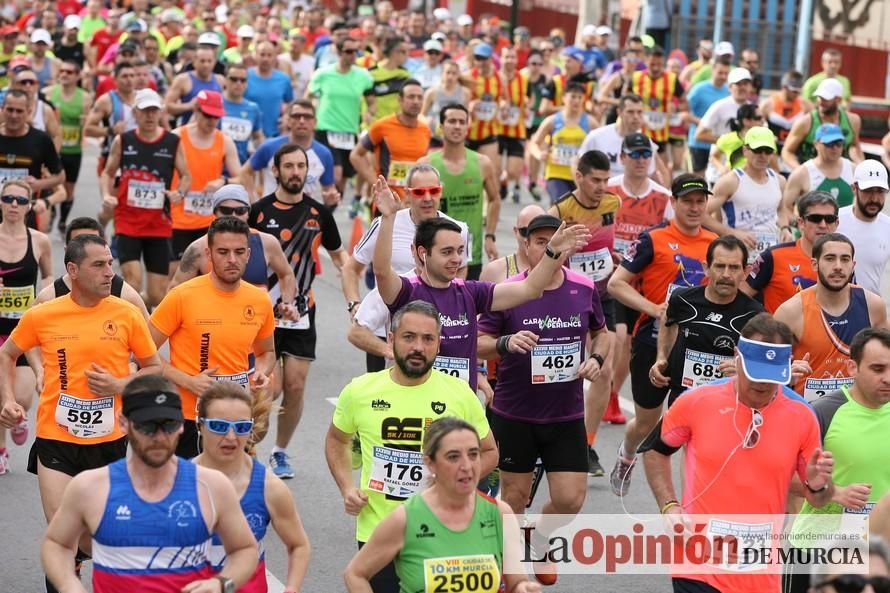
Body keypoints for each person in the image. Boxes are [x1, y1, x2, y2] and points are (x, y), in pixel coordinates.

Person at [0, 233, 161, 593]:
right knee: (62, 535)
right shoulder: (44, 314)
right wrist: (8, 399)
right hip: (56, 440)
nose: (109, 273)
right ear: (72, 270)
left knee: (95, 535)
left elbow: (154, 368)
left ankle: (86, 556)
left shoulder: (125, 314)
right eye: (99, 265)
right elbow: (7, 353)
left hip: (109, 441)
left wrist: (120, 385)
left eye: (110, 264)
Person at [642, 313, 835, 593]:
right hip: (698, 565)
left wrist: (818, 483)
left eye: (772, 376)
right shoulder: (696, 402)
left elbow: (818, 500)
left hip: (759, 571)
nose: (763, 385)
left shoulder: (802, 416)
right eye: (755, 372)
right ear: (736, 357)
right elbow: (654, 451)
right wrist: (669, 506)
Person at [326, 301, 498, 593]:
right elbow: (337, 439)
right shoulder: (360, 391)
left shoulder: (459, 394)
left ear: (438, 344)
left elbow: (489, 451)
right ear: (391, 340)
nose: (418, 346)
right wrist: (346, 488)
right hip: (378, 529)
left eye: (428, 339)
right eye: (409, 337)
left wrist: (456, 481)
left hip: (441, 529)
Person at [477, 213, 610, 585]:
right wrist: (505, 343)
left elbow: (602, 334)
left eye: (556, 240)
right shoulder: (509, 291)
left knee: (570, 499)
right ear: (527, 245)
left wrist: (597, 358)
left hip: (566, 414)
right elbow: (479, 342)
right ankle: (513, 572)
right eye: (540, 242)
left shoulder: (583, 288)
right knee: (514, 498)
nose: (550, 248)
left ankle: (542, 535)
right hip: (515, 413)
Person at [373, 172, 591, 394]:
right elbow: (381, 272)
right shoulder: (407, 291)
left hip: (459, 409)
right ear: (422, 253)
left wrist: (552, 252)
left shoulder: (470, 292)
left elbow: (530, 289)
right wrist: (389, 218)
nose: (456, 259)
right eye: (447, 252)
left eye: (459, 251)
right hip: (414, 403)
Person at [40, 375, 259, 593]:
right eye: (147, 426)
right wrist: (70, 585)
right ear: (123, 422)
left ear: (182, 424)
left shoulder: (211, 485)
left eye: (169, 425)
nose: (159, 436)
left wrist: (222, 583)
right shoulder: (90, 487)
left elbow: (245, 549)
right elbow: (57, 544)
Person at [606, 174, 718, 496]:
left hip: (696, 347)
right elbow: (616, 284)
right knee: (646, 423)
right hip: (653, 340)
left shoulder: (713, 243)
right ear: (673, 203)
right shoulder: (654, 239)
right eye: (688, 201)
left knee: (696, 427)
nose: (695, 208)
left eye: (700, 201)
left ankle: (692, 499)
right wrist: (654, 308)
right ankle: (627, 454)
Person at [343, 417, 540, 593]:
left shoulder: (499, 513)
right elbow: (355, 574)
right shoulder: (405, 519)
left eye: (473, 454)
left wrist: (525, 588)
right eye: (453, 457)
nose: (466, 466)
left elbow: (517, 583)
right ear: (431, 463)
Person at [249, 143, 347, 478]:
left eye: (301, 166)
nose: (295, 172)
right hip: (261, 311)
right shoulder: (258, 212)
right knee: (266, 388)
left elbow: (340, 257)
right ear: (275, 171)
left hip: (302, 311)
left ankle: (280, 452)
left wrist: (354, 296)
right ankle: (249, 447)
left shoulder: (320, 213)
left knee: (294, 385)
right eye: (288, 166)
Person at [149, 216, 283, 459]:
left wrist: (261, 372)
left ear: (249, 254)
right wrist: (188, 381)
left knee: (233, 491)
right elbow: (143, 353)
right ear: (209, 255)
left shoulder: (259, 300)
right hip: (189, 417)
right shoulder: (182, 296)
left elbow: (267, 353)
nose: (232, 259)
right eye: (223, 252)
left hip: (235, 417)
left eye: (239, 252)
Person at [788, 328, 890, 593]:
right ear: (852, 367)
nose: (888, 378)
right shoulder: (824, 412)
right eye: (878, 369)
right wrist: (834, 492)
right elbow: (783, 475)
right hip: (816, 551)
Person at [195, 382, 311, 593]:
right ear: (200, 425)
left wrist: (292, 588)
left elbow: (299, 545)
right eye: (219, 426)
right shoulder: (177, 482)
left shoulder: (269, 487)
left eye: (241, 428)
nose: (231, 437)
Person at [548, 150, 623, 471]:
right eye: (595, 179)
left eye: (606, 180)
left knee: (604, 370)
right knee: (560, 370)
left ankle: (586, 445)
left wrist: (615, 255)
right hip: (568, 296)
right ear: (578, 176)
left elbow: (611, 238)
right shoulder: (561, 209)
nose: (601, 186)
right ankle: (550, 431)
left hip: (602, 294)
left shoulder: (613, 203)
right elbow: (546, 253)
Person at [340, 165, 469, 321]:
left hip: (433, 327)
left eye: (433, 191)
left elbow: (461, 270)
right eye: (419, 192)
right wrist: (354, 304)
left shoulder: (458, 229)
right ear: (408, 194)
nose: (427, 198)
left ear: (440, 191)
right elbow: (350, 269)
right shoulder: (385, 224)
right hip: (384, 326)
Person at [99, 88, 191, 309]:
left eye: (154, 111)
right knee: (133, 280)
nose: (150, 116)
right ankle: (130, 327)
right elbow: (108, 172)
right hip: (127, 220)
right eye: (145, 111)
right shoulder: (123, 141)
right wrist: (106, 195)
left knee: (158, 294)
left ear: (160, 113)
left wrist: (180, 192)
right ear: (135, 113)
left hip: (158, 223)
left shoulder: (172, 142)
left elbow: (186, 175)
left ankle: (130, 308)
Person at [649, 235, 764, 404]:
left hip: (728, 403)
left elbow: (763, 365)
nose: (726, 274)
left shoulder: (756, 316)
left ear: (745, 272)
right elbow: (669, 322)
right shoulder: (682, 298)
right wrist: (661, 357)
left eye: (733, 268)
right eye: (719, 266)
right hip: (683, 399)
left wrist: (742, 370)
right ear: (706, 268)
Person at [775, 233, 887, 401]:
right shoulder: (790, 311)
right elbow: (767, 364)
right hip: (809, 412)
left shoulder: (873, 305)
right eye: (829, 258)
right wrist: (786, 370)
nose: (838, 266)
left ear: (853, 265)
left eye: (845, 259)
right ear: (814, 264)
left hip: (857, 411)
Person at [606, 134, 674, 414]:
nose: (641, 160)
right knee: (619, 336)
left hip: (646, 283)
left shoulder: (662, 196)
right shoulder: (608, 191)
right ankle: (606, 390)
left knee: (630, 343)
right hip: (611, 279)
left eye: (646, 154)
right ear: (622, 157)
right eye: (634, 154)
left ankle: (611, 392)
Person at [0, 180, 53, 473]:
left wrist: (43, 306)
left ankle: (17, 417)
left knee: (20, 397)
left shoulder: (40, 241)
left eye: (20, 201)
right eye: (8, 198)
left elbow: (47, 278)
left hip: (23, 331)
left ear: (29, 206)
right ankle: (1, 449)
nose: (14, 205)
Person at [169, 184, 296, 299]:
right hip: (214, 321)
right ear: (215, 212)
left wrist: (287, 304)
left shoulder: (267, 243)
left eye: (240, 210)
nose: (233, 215)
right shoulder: (197, 248)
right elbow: (174, 291)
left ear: (248, 213)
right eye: (226, 210)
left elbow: (287, 274)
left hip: (253, 321)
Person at [419, 104, 500, 280]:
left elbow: (495, 199)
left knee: (465, 306)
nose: (457, 126)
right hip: (435, 255)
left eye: (462, 122)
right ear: (441, 127)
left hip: (471, 254)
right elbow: (412, 207)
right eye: (452, 121)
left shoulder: (483, 163)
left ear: (467, 127)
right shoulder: (427, 165)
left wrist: (490, 236)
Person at [169, 90, 240, 269]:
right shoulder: (176, 137)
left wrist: (223, 181)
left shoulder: (224, 141)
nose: (211, 121)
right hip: (178, 218)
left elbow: (241, 178)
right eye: (208, 115)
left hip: (209, 221)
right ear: (196, 110)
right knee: (175, 277)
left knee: (207, 274)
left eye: (216, 117)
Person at [742, 190, 839, 313]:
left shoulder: (843, 260)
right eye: (815, 218)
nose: (823, 225)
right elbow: (740, 297)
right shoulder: (773, 256)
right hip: (778, 331)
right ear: (801, 223)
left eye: (829, 219)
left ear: (836, 223)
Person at [35, 217, 148, 318]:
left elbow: (149, 338)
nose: (108, 273)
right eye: (79, 242)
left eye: (95, 241)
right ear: (67, 251)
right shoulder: (48, 299)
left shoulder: (126, 296)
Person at [705, 126, 785, 263]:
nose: (763, 156)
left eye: (768, 151)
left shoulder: (779, 181)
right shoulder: (731, 181)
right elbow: (702, 214)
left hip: (770, 254)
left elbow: (781, 210)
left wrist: (785, 228)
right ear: (745, 150)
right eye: (758, 150)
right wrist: (732, 233)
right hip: (737, 255)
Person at [239, 99, 338, 206]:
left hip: (304, 216)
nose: (301, 121)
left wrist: (330, 202)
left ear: (315, 122)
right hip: (270, 216)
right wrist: (252, 201)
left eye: (307, 117)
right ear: (289, 121)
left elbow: (329, 190)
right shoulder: (269, 147)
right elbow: (245, 172)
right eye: (296, 116)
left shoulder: (324, 154)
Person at [309, 35, 374, 195]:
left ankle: (328, 213)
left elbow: (372, 102)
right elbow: (308, 97)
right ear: (338, 52)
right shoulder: (323, 74)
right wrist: (311, 117)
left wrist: (368, 112)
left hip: (349, 131)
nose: (353, 55)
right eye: (349, 51)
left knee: (342, 181)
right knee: (336, 176)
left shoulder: (363, 76)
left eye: (356, 52)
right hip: (326, 128)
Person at [350, 79, 430, 200]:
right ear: (400, 100)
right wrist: (377, 184)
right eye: (411, 97)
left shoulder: (425, 130)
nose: (416, 101)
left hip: (415, 201)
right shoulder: (382, 126)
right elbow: (356, 155)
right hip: (387, 201)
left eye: (419, 98)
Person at [0, 90, 65, 221]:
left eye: (19, 111)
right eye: (10, 110)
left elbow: (60, 176)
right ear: (2, 109)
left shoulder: (41, 139)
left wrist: (39, 184)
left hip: (25, 212)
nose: (14, 115)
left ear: (28, 112)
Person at [44, 59, 91, 233]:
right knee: (52, 184)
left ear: (78, 76)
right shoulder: (49, 93)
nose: (64, 74)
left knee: (69, 187)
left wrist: (85, 124)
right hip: (53, 149)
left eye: (69, 72)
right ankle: (53, 213)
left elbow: (87, 123)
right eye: (62, 71)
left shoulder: (85, 98)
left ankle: (63, 220)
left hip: (73, 149)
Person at [530, 82, 596, 204]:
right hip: (556, 173)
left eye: (580, 97)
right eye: (573, 97)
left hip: (581, 176)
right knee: (561, 204)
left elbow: (599, 147)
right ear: (564, 98)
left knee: (577, 212)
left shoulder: (590, 123)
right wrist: (539, 154)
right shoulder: (552, 121)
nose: (576, 101)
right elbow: (534, 143)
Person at [781, 78, 864, 169]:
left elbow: (854, 145)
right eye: (819, 97)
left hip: (840, 173)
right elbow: (787, 151)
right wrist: (801, 171)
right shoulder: (805, 122)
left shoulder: (853, 120)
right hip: (812, 172)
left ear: (838, 100)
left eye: (825, 98)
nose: (820, 101)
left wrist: (860, 165)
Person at [578, 94, 662, 180]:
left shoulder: (646, 142)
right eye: (630, 112)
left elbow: (655, 175)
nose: (636, 117)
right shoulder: (596, 136)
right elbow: (578, 163)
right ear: (619, 112)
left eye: (639, 112)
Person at [838, 160, 890, 295]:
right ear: (854, 188)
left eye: (880, 191)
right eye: (868, 191)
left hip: (869, 310)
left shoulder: (888, 227)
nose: (874, 198)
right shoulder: (834, 220)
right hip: (831, 307)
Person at [782, 124, 855, 215]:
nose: (835, 148)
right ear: (816, 144)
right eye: (829, 144)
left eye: (839, 143)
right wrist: (799, 223)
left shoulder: (853, 169)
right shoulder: (801, 173)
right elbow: (784, 207)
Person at [630, 45, 683, 156]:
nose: (656, 68)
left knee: (659, 168)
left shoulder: (672, 79)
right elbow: (624, 99)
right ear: (646, 61)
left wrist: (675, 106)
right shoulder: (636, 77)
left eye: (659, 65)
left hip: (661, 131)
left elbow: (685, 102)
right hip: (638, 129)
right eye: (652, 64)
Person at [464, 42, 503, 180]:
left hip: (489, 131)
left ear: (491, 59)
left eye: (484, 58)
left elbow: (505, 99)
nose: (480, 62)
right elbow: (459, 103)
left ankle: (491, 199)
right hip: (468, 133)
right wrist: (470, 105)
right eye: (478, 58)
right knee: (467, 175)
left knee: (489, 173)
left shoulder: (499, 78)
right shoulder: (468, 77)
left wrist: (502, 106)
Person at [685, 59, 730, 176]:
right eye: (720, 73)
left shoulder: (729, 92)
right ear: (713, 70)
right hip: (698, 143)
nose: (723, 76)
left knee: (715, 178)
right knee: (697, 179)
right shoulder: (699, 89)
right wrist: (702, 122)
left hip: (718, 145)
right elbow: (684, 112)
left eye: (726, 73)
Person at [164, 46, 225, 125]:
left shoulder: (220, 80)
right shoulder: (183, 80)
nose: (206, 65)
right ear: (194, 61)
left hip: (214, 130)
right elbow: (167, 106)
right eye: (202, 61)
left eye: (209, 61)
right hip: (189, 129)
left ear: (214, 62)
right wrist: (189, 106)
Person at [694, 67, 753, 147]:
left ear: (750, 87)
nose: (742, 87)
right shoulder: (719, 106)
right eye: (738, 84)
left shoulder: (755, 109)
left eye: (745, 84)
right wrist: (729, 142)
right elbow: (699, 135)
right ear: (730, 87)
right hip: (720, 158)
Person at [246, 41, 294, 138]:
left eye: (269, 55)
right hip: (248, 134)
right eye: (262, 55)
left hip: (273, 134)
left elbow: (290, 103)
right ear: (255, 55)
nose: (265, 59)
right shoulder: (245, 76)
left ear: (275, 57)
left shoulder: (283, 79)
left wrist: (286, 117)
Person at [220, 62, 264, 165]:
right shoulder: (215, 103)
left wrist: (259, 154)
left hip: (241, 167)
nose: (238, 83)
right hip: (215, 166)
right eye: (234, 79)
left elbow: (258, 136)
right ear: (225, 80)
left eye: (243, 80)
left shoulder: (253, 108)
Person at [761, 70, 811, 154]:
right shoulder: (767, 105)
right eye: (794, 91)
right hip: (772, 152)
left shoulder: (805, 105)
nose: (797, 94)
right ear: (785, 87)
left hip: (795, 152)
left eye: (799, 91)